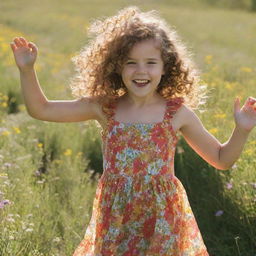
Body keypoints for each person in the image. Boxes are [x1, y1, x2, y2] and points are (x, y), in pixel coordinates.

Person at [10, 6, 256, 256]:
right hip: (117, 217)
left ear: (165, 67)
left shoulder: (176, 113)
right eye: (131, 63)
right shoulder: (105, 108)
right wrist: (27, 70)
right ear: (116, 66)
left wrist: (242, 130)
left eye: (151, 63)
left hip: (162, 219)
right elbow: (42, 109)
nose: (141, 71)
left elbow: (222, 159)